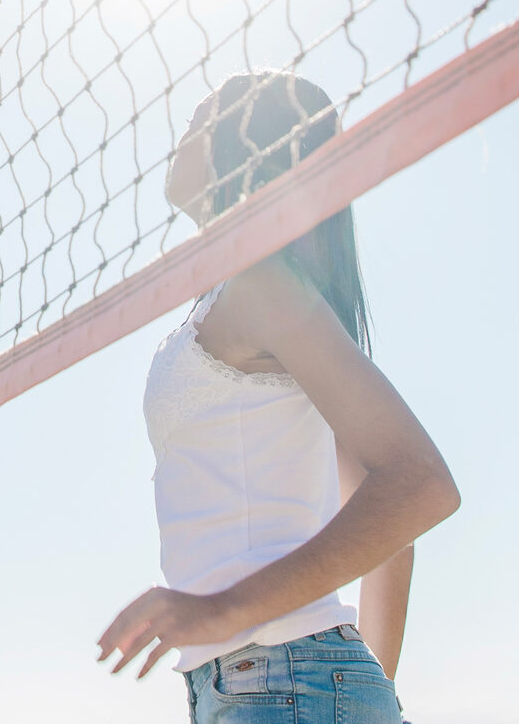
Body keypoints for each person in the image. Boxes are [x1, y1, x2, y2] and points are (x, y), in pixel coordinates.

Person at [98, 70, 460, 722]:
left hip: (279, 674)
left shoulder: (260, 282)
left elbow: (422, 485)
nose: (182, 128)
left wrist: (222, 610)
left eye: (200, 114)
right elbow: (391, 539)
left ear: (236, 142)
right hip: (278, 683)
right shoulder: (235, 291)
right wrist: (363, 695)